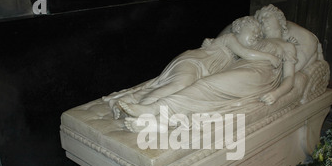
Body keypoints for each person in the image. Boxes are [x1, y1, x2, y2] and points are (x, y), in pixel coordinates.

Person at [119, 16, 297, 132]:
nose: (262, 23)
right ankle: (158, 120)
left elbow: (289, 78)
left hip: (257, 75)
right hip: (237, 71)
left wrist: (277, 93)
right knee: (204, 90)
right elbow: (231, 48)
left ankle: (155, 109)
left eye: (268, 18)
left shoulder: (287, 47)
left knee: (204, 87)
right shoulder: (249, 43)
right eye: (260, 20)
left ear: (281, 24)